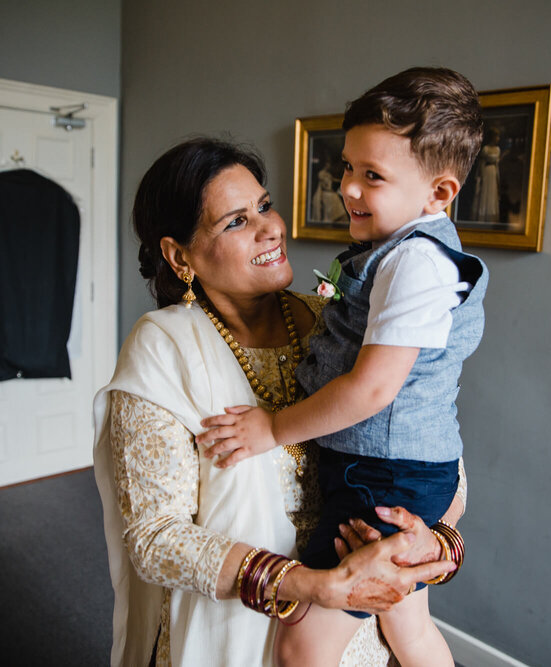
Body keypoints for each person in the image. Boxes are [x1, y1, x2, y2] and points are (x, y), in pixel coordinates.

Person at [92, 137, 465, 667]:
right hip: (239, 632)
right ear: (179, 256)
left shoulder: (336, 320)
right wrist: (316, 587)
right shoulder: (164, 347)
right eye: (236, 221)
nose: (271, 228)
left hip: (361, 631)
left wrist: (432, 544)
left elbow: (430, 451)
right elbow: (155, 539)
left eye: (264, 205)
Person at [198, 67, 487, 667]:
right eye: (348, 168)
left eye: (372, 176)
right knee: (408, 627)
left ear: (439, 193)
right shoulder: (398, 252)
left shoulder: (417, 263)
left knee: (303, 645)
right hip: (395, 468)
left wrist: (273, 429)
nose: (349, 188)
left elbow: (374, 387)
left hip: (382, 476)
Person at [472, 126, 503, 222]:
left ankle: (491, 217)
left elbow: (496, 161)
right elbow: (483, 162)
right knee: (485, 192)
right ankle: (482, 215)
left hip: (493, 172)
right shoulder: (485, 149)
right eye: (496, 136)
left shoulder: (497, 149)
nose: (498, 138)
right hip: (486, 172)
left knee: (492, 192)